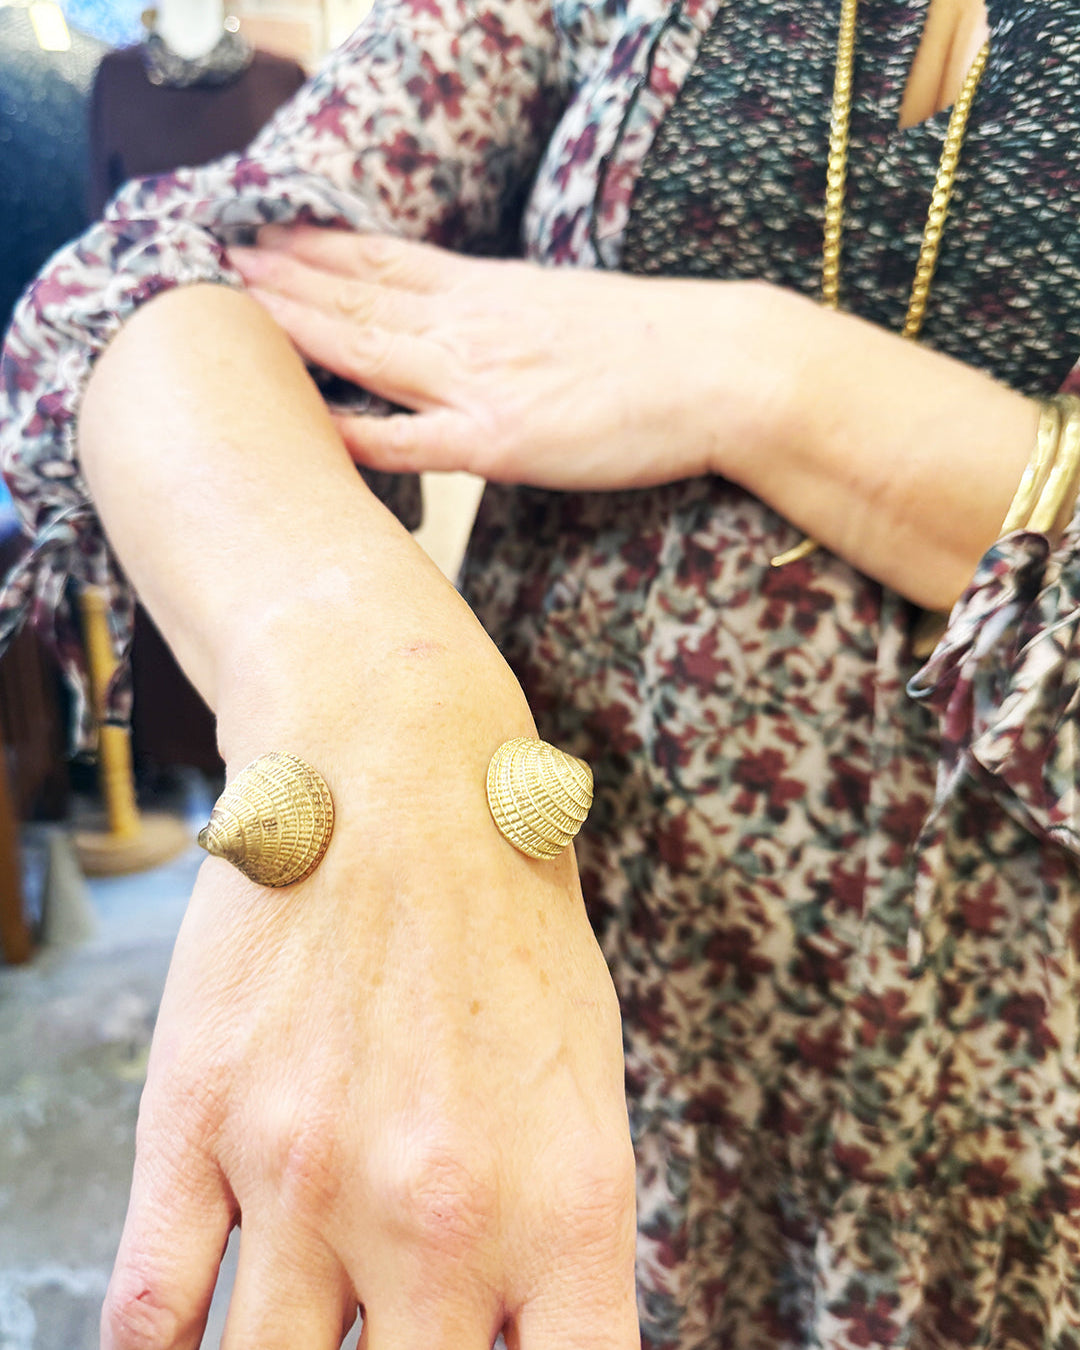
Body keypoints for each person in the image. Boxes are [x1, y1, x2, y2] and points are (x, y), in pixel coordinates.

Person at [2, 0, 1079, 1344]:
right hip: (540, 998)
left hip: (1000, 1074)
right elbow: (152, 279)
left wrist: (754, 373)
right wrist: (366, 682)